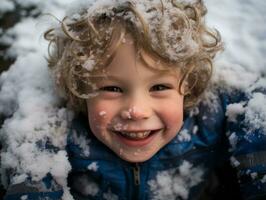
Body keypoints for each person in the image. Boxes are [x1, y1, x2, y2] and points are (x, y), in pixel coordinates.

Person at [3, 0, 266, 199]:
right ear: (79, 88)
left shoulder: (210, 116)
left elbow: (255, 105)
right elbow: (31, 172)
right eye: (113, 89)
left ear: (188, 84)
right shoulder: (59, 127)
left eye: (159, 86)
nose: (136, 111)